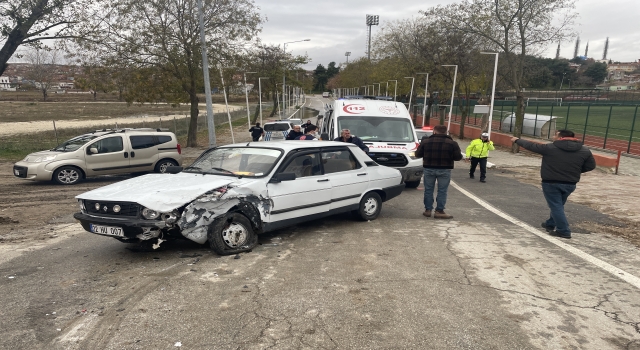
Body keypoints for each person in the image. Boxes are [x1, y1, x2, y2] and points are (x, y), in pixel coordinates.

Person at [511, 130, 596, 239]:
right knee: (558, 205)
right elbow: (591, 166)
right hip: (570, 183)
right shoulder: (585, 150)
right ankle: (550, 223)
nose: (553, 136)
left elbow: (532, 146)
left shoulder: (550, 148)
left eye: (555, 134)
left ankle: (563, 230)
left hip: (551, 182)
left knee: (556, 206)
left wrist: (517, 140)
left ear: (560, 137)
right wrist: (574, 171)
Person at [415, 125, 463, 219]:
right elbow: (458, 157)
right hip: (444, 169)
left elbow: (418, 154)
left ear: (434, 131)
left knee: (428, 190)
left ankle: (428, 210)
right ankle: (439, 211)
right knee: (442, 191)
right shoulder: (452, 143)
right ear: (446, 132)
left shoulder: (426, 142)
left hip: (429, 169)